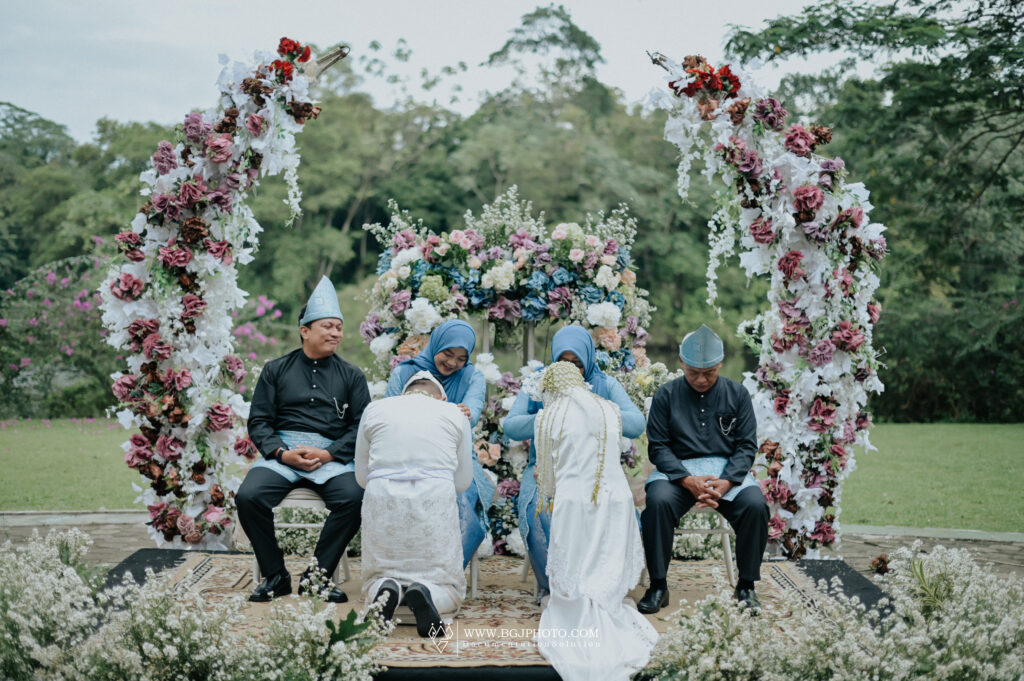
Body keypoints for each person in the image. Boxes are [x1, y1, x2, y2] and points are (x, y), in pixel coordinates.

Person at [237, 276, 370, 603]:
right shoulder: (275, 370)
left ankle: (317, 578)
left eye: (339, 327)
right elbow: (259, 421)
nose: (336, 333)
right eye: (328, 326)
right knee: (248, 496)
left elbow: (361, 427)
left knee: (355, 497)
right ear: (305, 330)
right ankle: (276, 575)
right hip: (282, 455)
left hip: (331, 458)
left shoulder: (352, 376)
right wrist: (282, 454)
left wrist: (328, 454)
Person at [533, 361, 658, 681]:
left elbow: (547, 482)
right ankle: (606, 596)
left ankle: (580, 601)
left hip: (574, 501)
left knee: (576, 564)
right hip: (615, 500)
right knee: (602, 561)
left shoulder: (547, 416)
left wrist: (548, 482)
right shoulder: (609, 409)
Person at [504, 325, 646, 601]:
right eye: (564, 362)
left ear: (588, 360)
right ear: (554, 360)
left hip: (596, 471)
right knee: (539, 512)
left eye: (578, 363)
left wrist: (592, 409)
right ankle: (555, 586)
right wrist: (555, 416)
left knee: (614, 505)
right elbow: (511, 426)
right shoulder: (539, 381)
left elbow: (636, 423)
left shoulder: (603, 384)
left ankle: (603, 584)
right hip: (544, 470)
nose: (572, 370)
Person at [638, 324, 769, 613]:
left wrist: (727, 481)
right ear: (681, 362)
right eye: (693, 372)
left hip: (727, 475)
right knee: (657, 502)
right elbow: (658, 447)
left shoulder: (737, 394)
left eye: (708, 372)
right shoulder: (665, 395)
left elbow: (747, 446)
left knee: (755, 505)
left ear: (720, 363)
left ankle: (746, 586)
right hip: (677, 475)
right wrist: (687, 480)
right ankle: (658, 585)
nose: (700, 379)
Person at [355, 371, 474, 635]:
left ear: (402, 395)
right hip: (433, 499)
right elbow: (463, 481)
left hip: (383, 499)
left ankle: (386, 588)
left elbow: (362, 476)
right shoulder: (454, 413)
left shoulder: (375, 409)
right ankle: (429, 591)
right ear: (441, 398)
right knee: (448, 586)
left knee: (378, 575)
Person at [384, 319, 490, 568]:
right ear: (435, 345)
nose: (453, 363)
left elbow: (471, 415)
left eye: (461, 358)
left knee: (463, 501)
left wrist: (465, 413)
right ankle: (403, 568)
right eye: (448, 354)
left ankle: (444, 571)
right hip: (407, 455)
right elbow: (387, 413)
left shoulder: (472, 376)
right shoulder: (404, 372)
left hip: (456, 458)